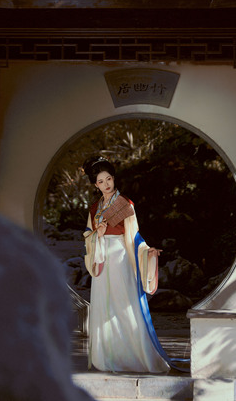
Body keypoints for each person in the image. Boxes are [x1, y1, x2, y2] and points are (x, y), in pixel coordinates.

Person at [83, 156, 170, 373]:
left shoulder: (125, 204)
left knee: (125, 306)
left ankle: (135, 357)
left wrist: (147, 251)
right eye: (101, 181)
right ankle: (108, 357)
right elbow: (87, 236)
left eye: (109, 179)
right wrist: (97, 234)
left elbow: (134, 236)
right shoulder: (94, 209)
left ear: (114, 178)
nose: (106, 184)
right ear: (95, 185)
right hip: (102, 258)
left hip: (121, 257)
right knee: (104, 307)